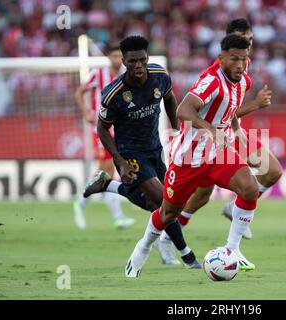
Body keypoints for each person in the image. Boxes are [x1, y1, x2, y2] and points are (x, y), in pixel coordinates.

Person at [125, 34, 259, 278]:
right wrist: (210, 130)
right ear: (221, 59)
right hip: (189, 158)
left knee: (250, 188)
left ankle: (232, 250)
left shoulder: (243, 81)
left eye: (244, 59)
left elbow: (231, 109)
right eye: (234, 59)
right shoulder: (210, 81)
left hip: (218, 153)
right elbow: (183, 110)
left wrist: (235, 130)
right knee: (168, 213)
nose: (240, 64)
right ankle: (143, 247)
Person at [83, 35, 201, 268]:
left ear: (147, 58)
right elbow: (102, 129)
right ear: (124, 62)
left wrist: (177, 126)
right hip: (129, 154)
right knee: (163, 201)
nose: (138, 66)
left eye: (141, 60)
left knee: (156, 204)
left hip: (155, 148)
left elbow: (169, 97)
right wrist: (120, 162)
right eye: (132, 61)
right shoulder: (113, 93)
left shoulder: (159, 76)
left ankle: (109, 186)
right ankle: (186, 254)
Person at [164, 19, 283, 241]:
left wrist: (237, 131)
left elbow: (231, 110)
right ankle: (170, 236)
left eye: (249, 39)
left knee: (272, 170)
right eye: (242, 38)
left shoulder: (243, 72)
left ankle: (234, 209)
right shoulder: (216, 73)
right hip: (205, 139)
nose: (247, 42)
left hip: (230, 134)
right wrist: (255, 105)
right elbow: (202, 111)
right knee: (201, 196)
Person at [73, 45, 135, 230]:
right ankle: (88, 204)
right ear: (109, 57)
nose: (117, 59)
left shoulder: (127, 75)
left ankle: (86, 204)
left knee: (109, 171)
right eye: (114, 56)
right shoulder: (98, 74)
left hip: (121, 127)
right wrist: (85, 111)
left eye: (119, 56)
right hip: (102, 127)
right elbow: (80, 91)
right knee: (107, 167)